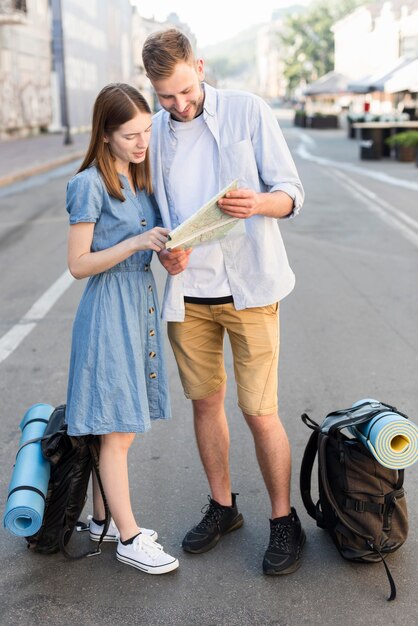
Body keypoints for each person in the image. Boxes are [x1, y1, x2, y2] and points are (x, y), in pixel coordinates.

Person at [142, 29, 306, 575]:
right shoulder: (156, 133)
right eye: (166, 96)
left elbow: (291, 195)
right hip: (188, 295)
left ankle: (284, 522)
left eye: (186, 90)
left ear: (200, 67)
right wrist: (167, 252)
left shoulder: (248, 111)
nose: (179, 105)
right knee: (206, 404)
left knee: (260, 411)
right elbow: (156, 218)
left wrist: (257, 202)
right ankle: (223, 506)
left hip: (250, 289)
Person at [65, 83, 179, 575]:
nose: (142, 142)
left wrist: (168, 252)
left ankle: (102, 522)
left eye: (147, 131)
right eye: (130, 135)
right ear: (105, 135)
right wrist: (136, 244)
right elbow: (77, 264)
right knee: (117, 430)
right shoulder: (89, 183)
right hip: (109, 310)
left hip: (139, 306)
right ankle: (130, 537)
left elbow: (149, 241)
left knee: (120, 426)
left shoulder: (140, 178)